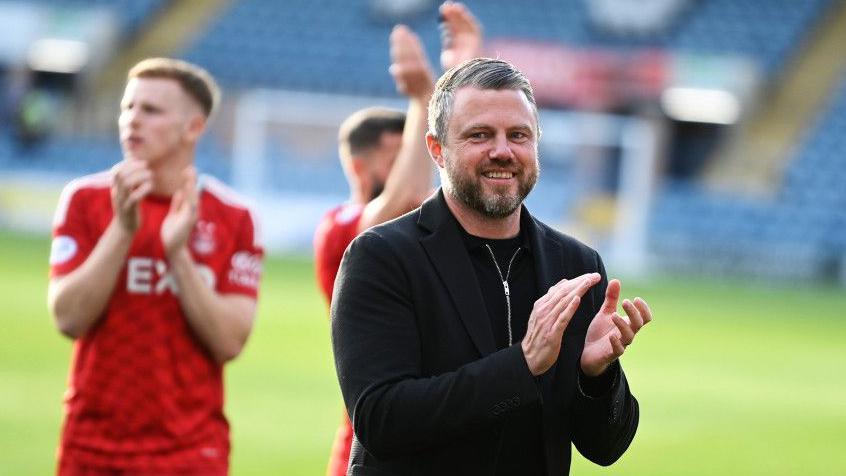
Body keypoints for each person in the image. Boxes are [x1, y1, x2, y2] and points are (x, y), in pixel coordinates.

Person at [331, 58, 653, 475]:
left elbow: (605, 448)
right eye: (480, 135)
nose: (502, 151)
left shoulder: (576, 266)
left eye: (518, 135)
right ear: (437, 150)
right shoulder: (381, 257)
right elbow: (382, 420)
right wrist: (522, 365)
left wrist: (596, 377)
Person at [47, 58, 263, 475]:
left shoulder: (234, 216)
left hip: (191, 452)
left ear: (193, 128)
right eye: (128, 108)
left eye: (151, 110)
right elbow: (67, 318)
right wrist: (123, 231)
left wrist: (177, 254)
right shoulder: (85, 200)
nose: (131, 121)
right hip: (91, 448)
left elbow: (230, 341)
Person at [314, 3, 482, 475]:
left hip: (454, 431)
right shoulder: (340, 229)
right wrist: (421, 98)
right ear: (359, 165)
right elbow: (405, 194)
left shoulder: (433, 224)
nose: (416, 164)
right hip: (375, 445)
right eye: (400, 152)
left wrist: (460, 75)